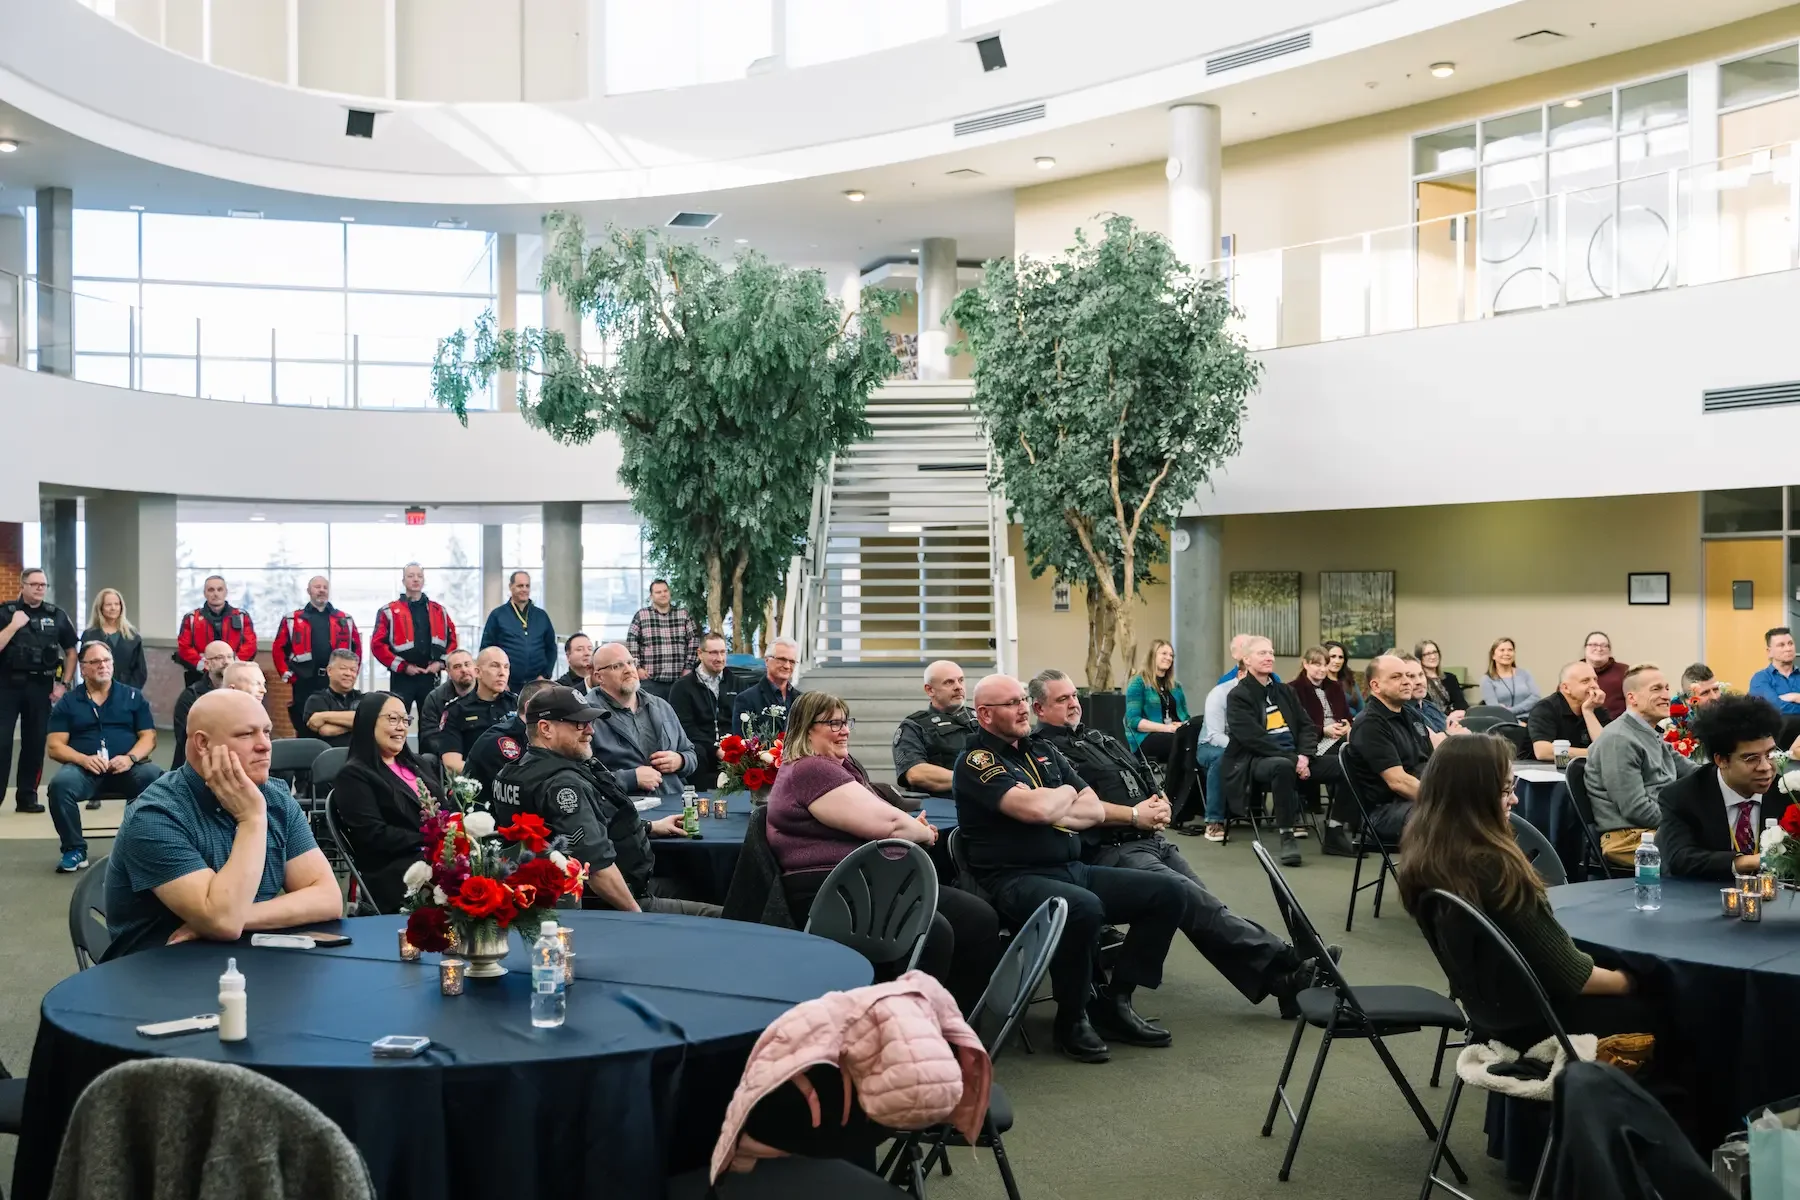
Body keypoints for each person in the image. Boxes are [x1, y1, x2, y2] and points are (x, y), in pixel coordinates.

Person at [1028, 669, 1325, 1018]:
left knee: (1206, 910)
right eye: (1061, 700)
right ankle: (1288, 958)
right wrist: (1135, 815)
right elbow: (1074, 809)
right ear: (1039, 708)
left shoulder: (1097, 737)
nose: (1073, 704)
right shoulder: (1042, 751)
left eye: (1073, 696)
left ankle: (1282, 983)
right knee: (1196, 903)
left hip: (1151, 841)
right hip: (1112, 851)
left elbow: (1141, 774)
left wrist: (1161, 801)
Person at [953, 674, 1183, 1063]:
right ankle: (1072, 1018)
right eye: (1011, 703)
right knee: (1083, 907)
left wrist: (1049, 804)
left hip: (1070, 867)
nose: (1023, 707)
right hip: (1013, 879)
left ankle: (1115, 1000)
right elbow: (1038, 808)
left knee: (1168, 893)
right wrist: (1061, 797)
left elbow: (1092, 809)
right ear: (985, 714)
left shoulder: (1042, 751)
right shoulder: (977, 760)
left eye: (1023, 699)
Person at [1397, 734, 1645, 1050]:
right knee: (1675, 1006)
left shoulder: (1428, 853)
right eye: (1505, 790)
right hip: (1540, 1022)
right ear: (1475, 796)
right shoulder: (1493, 867)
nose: (1514, 799)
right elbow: (1572, 975)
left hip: (1490, 1013)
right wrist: (1636, 981)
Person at [767, 690, 1001, 1011]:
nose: (845, 730)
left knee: (978, 918)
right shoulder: (811, 769)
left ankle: (953, 1022)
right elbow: (889, 824)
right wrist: (919, 831)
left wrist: (910, 827)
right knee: (936, 933)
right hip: (835, 892)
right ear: (807, 729)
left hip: (874, 884)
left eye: (845, 721)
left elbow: (882, 814)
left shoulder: (838, 766)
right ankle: (907, 1027)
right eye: (833, 724)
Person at [102, 689, 343, 959]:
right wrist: (251, 819)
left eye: (266, 731)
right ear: (203, 744)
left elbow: (328, 898)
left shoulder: (275, 798)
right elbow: (224, 922)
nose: (265, 744)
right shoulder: (155, 815)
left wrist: (238, 917)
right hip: (159, 976)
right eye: (246, 734)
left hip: (247, 966)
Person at [489, 685, 714, 915]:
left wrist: (651, 827)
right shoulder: (563, 784)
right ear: (546, 729)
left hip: (550, 902)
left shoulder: (513, 772)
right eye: (579, 723)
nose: (590, 731)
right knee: (722, 911)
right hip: (604, 904)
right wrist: (639, 918)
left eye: (590, 722)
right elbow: (597, 868)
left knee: (697, 886)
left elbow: (574, 829)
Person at [45, 641, 162, 872]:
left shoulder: (132, 696)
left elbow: (149, 738)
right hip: (84, 769)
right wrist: (83, 759)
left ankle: (142, 846)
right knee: (60, 785)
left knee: (155, 777)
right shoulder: (68, 702)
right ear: (83, 667)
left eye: (106, 660)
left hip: (127, 767)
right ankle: (74, 850)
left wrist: (130, 758)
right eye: (95, 661)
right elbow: (55, 746)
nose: (102, 665)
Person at [330, 692, 446, 913]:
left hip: (435, 855)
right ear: (369, 722)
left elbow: (446, 809)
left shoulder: (418, 764)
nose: (402, 727)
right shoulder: (354, 775)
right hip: (395, 868)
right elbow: (374, 835)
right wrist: (431, 841)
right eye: (393, 719)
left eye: (405, 720)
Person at [1659, 694, 1794, 881]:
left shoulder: (1789, 794)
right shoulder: (1683, 796)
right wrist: (1750, 861)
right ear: (1721, 760)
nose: (1765, 767)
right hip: (1707, 899)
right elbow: (1679, 858)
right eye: (1751, 758)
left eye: (1770, 754)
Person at [1584, 663, 1696, 867]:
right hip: (1628, 838)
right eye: (1656, 689)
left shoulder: (1651, 734)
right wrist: (1686, 822)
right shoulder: (1619, 739)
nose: (1666, 696)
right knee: (1710, 851)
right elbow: (1637, 809)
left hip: (1653, 830)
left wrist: (1729, 770)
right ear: (1632, 698)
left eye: (1667, 688)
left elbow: (1695, 774)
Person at [1223, 636, 1318, 867]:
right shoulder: (1238, 696)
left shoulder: (1285, 691)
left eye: (1271, 653)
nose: (1269, 657)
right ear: (1246, 659)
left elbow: (1307, 725)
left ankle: (1336, 828)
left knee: (1344, 762)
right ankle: (1287, 835)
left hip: (1296, 757)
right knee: (1282, 766)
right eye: (1262, 653)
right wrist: (1294, 759)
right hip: (1256, 760)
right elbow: (1254, 739)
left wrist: (1304, 756)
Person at [0, 567, 80, 814]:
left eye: (43, 585)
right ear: (22, 586)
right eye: (34, 584)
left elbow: (71, 651)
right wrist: (13, 626)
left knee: (35, 743)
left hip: (41, 687)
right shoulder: (6, 613)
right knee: (1, 743)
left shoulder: (56, 615)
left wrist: (63, 684)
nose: (39, 589)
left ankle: (27, 797)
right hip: (7, 686)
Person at [587, 641, 697, 803]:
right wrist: (630, 779)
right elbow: (580, 776)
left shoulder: (661, 706)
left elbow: (691, 753)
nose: (628, 670)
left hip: (674, 801)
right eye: (617, 666)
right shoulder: (587, 715)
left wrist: (680, 760)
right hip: (626, 809)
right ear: (599, 677)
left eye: (631, 662)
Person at [1345, 653, 1437, 844]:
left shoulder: (1411, 715)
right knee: (1452, 817)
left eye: (1407, 676)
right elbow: (1399, 782)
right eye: (1396, 677)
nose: (1406, 682)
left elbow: (1431, 763)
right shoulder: (1370, 723)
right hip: (1384, 812)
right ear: (1375, 686)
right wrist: (1443, 798)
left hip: (1415, 800)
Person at [271, 576, 362, 738]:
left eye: (325, 587)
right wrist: (288, 675)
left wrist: (352, 672)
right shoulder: (293, 619)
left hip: (335, 680)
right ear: (308, 591)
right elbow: (278, 648)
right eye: (317, 587)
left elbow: (357, 649)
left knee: (337, 719)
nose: (321, 590)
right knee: (305, 724)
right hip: (304, 680)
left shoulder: (344, 619)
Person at [370, 563, 458, 718]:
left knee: (431, 722)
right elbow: (377, 645)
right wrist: (403, 667)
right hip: (402, 678)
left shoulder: (439, 611)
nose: (415, 580)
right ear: (403, 581)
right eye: (411, 576)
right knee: (397, 719)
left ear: (424, 581)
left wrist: (441, 663)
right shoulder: (388, 611)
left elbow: (453, 641)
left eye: (419, 576)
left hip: (431, 676)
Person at [1291, 646, 1354, 856]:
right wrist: (1323, 730)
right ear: (1306, 664)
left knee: (1361, 756)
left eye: (1324, 664)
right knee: (1346, 762)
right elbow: (1296, 726)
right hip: (1313, 742)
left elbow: (1346, 715)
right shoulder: (1293, 689)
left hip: (1338, 736)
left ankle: (1354, 819)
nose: (1321, 669)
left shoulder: (1335, 687)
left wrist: (1347, 726)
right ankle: (1338, 823)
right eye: (1316, 664)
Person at [891, 660, 977, 795]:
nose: (958, 687)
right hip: (945, 805)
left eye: (961, 680)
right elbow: (916, 773)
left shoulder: (983, 717)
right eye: (949, 682)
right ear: (930, 690)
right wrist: (975, 781)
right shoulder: (915, 726)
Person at [466, 679, 558, 799]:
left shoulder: (544, 736)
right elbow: (527, 792)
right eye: (556, 708)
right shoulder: (499, 742)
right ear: (530, 707)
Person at [428, 647, 516, 773]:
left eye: (506, 667)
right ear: (477, 672)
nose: (502, 672)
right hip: (477, 785)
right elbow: (452, 763)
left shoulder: (518, 705)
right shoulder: (456, 710)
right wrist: (492, 776)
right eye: (495, 666)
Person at [669, 632, 736, 789]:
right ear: (700, 653)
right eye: (713, 652)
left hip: (732, 748)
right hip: (700, 751)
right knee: (696, 753)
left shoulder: (737, 684)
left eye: (722, 652)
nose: (719, 658)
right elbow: (685, 727)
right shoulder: (682, 687)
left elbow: (742, 721)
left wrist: (732, 747)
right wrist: (715, 749)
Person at [625, 579, 700, 701]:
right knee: (652, 716)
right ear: (651, 596)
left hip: (679, 679)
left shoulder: (683, 614)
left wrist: (688, 667)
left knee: (678, 716)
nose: (663, 594)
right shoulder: (641, 615)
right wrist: (637, 668)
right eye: (658, 592)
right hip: (650, 681)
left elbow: (694, 641)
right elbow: (631, 642)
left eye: (665, 591)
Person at [174, 575, 256, 686]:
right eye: (211, 590)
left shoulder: (241, 616)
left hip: (234, 675)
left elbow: (250, 645)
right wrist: (204, 665)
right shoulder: (191, 618)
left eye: (220, 589)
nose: (215, 594)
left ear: (226, 592)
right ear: (205, 593)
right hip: (200, 676)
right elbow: (184, 647)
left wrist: (233, 664)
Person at [478, 571, 556, 686]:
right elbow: (486, 650)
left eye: (527, 586)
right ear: (511, 587)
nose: (524, 589)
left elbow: (551, 648)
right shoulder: (498, 615)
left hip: (537, 683)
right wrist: (499, 681)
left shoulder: (541, 616)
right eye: (520, 586)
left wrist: (545, 675)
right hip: (507, 684)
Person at [1527, 661, 1611, 762]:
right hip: (1543, 771)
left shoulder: (1595, 708)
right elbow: (1543, 752)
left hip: (1582, 770)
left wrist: (1588, 712)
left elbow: (1607, 748)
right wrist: (1593, 753)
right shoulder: (1545, 708)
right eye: (1585, 681)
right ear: (1566, 688)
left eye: (1595, 679)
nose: (1594, 685)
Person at [171, 641, 235, 772]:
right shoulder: (191, 697)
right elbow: (187, 741)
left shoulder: (240, 694)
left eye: (230, 657)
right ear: (207, 664)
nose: (227, 662)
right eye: (219, 657)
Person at [1194, 663, 1240, 842]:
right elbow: (1215, 736)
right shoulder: (1220, 694)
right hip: (1210, 746)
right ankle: (1214, 820)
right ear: (1241, 674)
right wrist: (1242, 748)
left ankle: (1291, 821)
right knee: (1222, 759)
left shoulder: (1266, 693)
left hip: (1246, 744)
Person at [1125, 639, 1189, 762]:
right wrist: (1168, 728)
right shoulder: (1138, 683)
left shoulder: (1176, 687)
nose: (1169, 658)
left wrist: (1182, 725)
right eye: (1164, 653)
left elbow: (1185, 716)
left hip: (1175, 733)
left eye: (1171, 655)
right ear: (1152, 656)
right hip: (1145, 737)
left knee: (1197, 740)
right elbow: (1133, 721)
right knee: (1181, 743)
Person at [733, 637, 804, 735]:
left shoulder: (802, 700)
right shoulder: (746, 699)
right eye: (782, 659)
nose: (787, 666)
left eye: (792, 661)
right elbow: (744, 741)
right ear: (767, 661)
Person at [81, 588, 146, 690]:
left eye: (117, 604)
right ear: (100, 608)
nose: (113, 608)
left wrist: (130, 693)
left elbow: (140, 671)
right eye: (108, 605)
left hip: (127, 692)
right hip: (97, 691)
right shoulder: (89, 635)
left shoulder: (132, 635)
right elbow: (85, 667)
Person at [301, 649, 363, 749]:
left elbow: (373, 718)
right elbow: (326, 730)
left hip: (359, 758)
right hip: (328, 758)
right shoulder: (316, 700)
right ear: (329, 671)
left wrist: (324, 716)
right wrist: (362, 724)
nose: (348, 673)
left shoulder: (363, 698)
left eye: (353, 670)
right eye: (343, 668)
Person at [420, 648, 475, 736]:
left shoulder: (488, 693)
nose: (464, 670)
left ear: (475, 668)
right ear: (448, 672)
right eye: (457, 666)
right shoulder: (434, 699)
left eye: (467, 664)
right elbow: (429, 736)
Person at [1480, 637, 1539, 718]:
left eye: (1510, 650)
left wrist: (1511, 710)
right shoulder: (1487, 679)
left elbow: (1536, 697)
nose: (1506, 653)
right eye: (1502, 650)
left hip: (1530, 719)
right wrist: (1517, 722)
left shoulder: (1525, 674)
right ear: (1493, 655)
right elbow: (1495, 710)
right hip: (1504, 721)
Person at [1749, 627, 1800, 717]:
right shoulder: (1760, 678)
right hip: (1775, 730)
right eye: (1781, 645)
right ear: (1769, 652)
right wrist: (1797, 698)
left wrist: (1793, 697)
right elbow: (1773, 708)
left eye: (1790, 643)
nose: (1788, 648)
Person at [1415, 640, 1467, 715]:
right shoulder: (1418, 681)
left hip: (1456, 718)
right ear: (1420, 658)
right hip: (1433, 721)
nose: (1433, 656)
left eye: (1435, 652)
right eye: (1427, 654)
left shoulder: (1450, 678)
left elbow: (1461, 704)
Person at [1584, 632, 1628, 718]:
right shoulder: (1574, 672)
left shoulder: (1624, 671)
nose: (1599, 649)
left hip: (1616, 727)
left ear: (1609, 650)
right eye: (1594, 645)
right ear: (1585, 648)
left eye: (1604, 645)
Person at [1323, 640, 1362, 716]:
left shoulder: (1349, 681)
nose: (1337, 661)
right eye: (1333, 656)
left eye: (1340, 657)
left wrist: (1354, 722)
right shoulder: (1318, 683)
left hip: (1355, 724)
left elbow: (1362, 709)